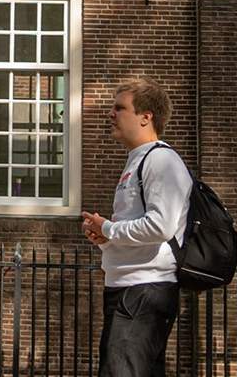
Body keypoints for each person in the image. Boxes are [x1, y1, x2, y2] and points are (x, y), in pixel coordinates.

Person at [80, 78, 194, 377]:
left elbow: (161, 226)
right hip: (127, 288)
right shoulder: (137, 162)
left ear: (146, 117)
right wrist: (104, 239)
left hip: (144, 289)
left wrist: (109, 230)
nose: (111, 114)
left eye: (120, 108)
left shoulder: (162, 160)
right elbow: (140, 228)